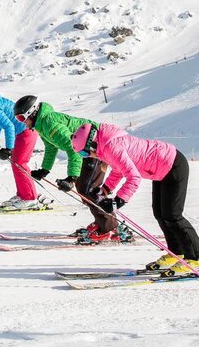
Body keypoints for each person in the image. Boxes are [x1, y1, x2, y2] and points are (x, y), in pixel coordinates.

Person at [71, 122, 199, 274]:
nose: (87, 156)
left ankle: (195, 259)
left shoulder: (111, 147)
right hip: (161, 171)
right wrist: (104, 189)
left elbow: (134, 178)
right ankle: (177, 253)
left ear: (92, 143)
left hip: (173, 165)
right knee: (160, 214)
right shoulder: (106, 147)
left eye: (84, 152)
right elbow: (118, 170)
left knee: (173, 215)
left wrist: (117, 202)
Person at [13, 95, 125, 244]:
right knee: (84, 188)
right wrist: (45, 169)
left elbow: (72, 150)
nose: (22, 123)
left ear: (32, 113)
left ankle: (110, 228)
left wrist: (71, 177)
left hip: (95, 148)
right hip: (85, 151)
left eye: (21, 118)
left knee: (88, 190)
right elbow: (51, 146)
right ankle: (102, 223)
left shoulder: (50, 123)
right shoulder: (42, 124)